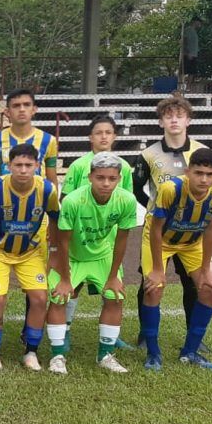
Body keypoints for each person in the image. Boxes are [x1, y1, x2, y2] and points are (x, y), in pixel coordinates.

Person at [139, 148, 212, 371]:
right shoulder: (171, 188)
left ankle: (189, 352)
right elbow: (155, 229)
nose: (204, 179)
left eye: (210, 174)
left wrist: (207, 267)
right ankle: (153, 354)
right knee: (154, 287)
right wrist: (158, 270)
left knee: (209, 288)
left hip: (193, 243)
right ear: (188, 171)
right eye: (198, 173)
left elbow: (211, 230)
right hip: (160, 240)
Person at [45, 152, 138, 375]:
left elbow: (122, 239)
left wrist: (114, 276)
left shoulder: (126, 200)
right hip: (74, 256)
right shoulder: (73, 200)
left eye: (112, 178)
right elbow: (63, 240)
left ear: (119, 178)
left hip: (102, 256)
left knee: (115, 297)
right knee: (58, 297)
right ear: (90, 177)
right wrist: (66, 278)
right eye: (100, 178)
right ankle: (57, 356)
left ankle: (105, 355)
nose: (106, 183)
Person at [0, 144, 60, 372]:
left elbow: (56, 220)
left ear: (37, 166)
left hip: (29, 252)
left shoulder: (48, 189)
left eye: (28, 165)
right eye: (18, 165)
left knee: (40, 299)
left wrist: (55, 251)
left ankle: (31, 351)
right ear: (8, 166)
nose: (23, 170)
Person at [132, 95, 206, 350]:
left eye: (179, 115)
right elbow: (137, 189)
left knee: (193, 283)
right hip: (158, 231)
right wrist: (157, 212)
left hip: (191, 231)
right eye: (168, 115)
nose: (174, 119)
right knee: (149, 282)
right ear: (161, 121)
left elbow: (211, 188)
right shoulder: (148, 154)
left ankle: (194, 335)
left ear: (189, 120)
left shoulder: (201, 152)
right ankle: (145, 334)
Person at [0, 89, 58, 181]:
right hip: (4, 194)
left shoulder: (49, 140)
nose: (22, 109)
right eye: (16, 106)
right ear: (7, 112)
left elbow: (52, 179)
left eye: (26, 105)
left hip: (37, 195)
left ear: (34, 109)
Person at [62, 115, 133, 196]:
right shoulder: (77, 165)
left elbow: (128, 199)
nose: (104, 137)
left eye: (108, 133)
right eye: (98, 133)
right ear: (91, 137)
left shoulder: (124, 166)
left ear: (114, 137)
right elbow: (65, 199)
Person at [182, 16, 202, 87]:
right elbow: (184, 42)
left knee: (192, 72)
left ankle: (188, 87)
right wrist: (187, 53)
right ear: (195, 22)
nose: (200, 24)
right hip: (188, 54)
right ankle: (182, 87)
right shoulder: (188, 30)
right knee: (185, 71)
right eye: (199, 22)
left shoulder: (194, 31)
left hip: (194, 54)